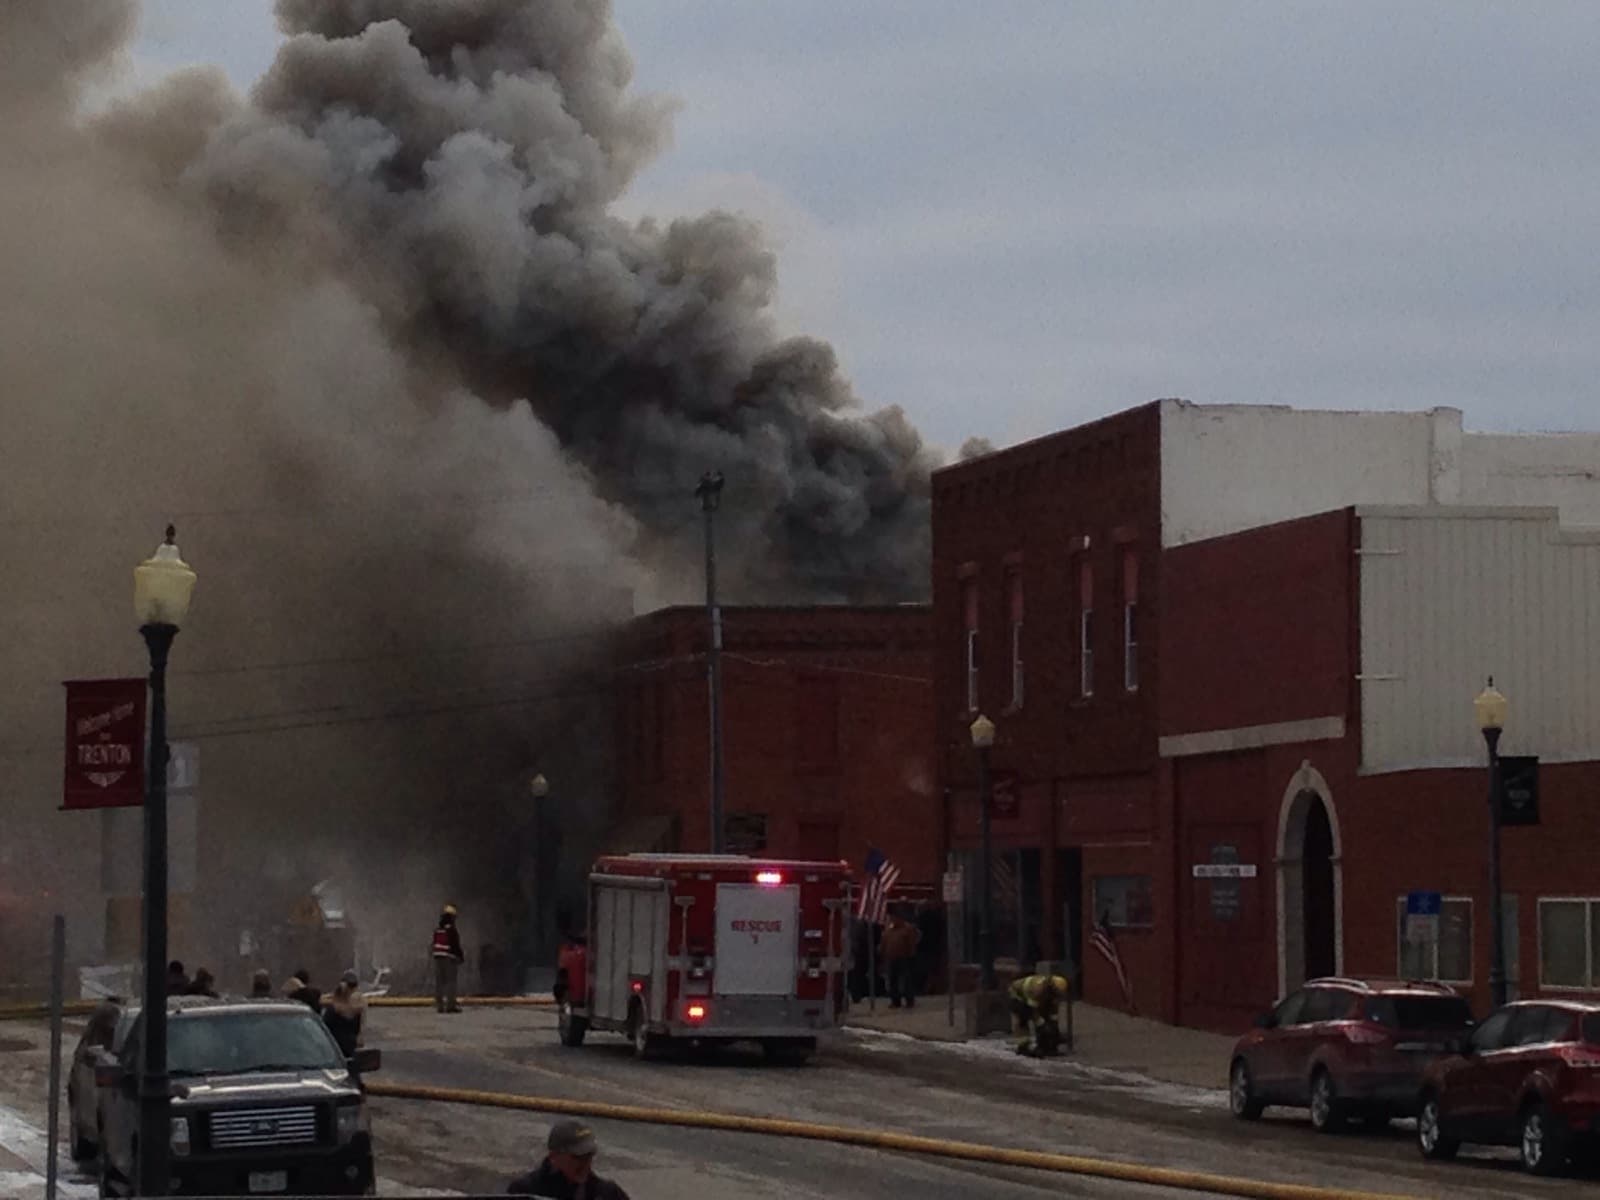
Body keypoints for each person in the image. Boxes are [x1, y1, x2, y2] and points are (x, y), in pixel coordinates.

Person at [506, 1119, 631, 1199]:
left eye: (588, 1156)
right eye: (577, 1157)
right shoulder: (525, 1191)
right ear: (554, 1157)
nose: (585, 1163)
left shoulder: (608, 1194)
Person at [1008, 973, 1069, 1057]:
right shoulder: (1038, 989)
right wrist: (1041, 1023)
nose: (1056, 996)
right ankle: (1023, 1046)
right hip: (1017, 995)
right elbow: (1033, 1010)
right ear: (1051, 988)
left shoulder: (1051, 992)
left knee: (1046, 1022)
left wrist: (1054, 1024)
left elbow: (1053, 1009)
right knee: (1023, 1017)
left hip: (1032, 997)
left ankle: (1046, 1046)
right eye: (1056, 993)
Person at [879, 911, 921, 1009]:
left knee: (906, 980)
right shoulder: (889, 930)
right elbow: (884, 942)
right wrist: (882, 952)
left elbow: (912, 943)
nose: (893, 920)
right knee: (893, 980)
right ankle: (895, 1001)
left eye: (895, 918)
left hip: (904, 958)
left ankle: (909, 1001)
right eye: (892, 919)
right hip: (891, 958)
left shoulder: (908, 929)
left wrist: (911, 955)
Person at [322, 970, 366, 1058]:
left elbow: (324, 1030)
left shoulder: (332, 1010)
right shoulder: (358, 1008)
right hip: (350, 1050)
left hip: (334, 1051)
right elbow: (358, 1031)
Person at [432, 905, 465, 1014]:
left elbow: (433, 945)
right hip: (449, 959)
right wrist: (460, 957)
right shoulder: (451, 930)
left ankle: (440, 1006)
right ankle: (451, 1006)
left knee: (439, 983)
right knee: (451, 983)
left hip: (438, 958)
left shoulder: (438, 930)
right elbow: (455, 945)